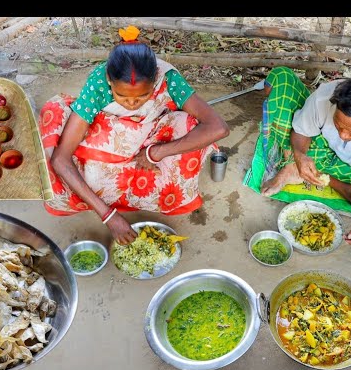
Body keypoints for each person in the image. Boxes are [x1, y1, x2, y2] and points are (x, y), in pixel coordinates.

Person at [38, 26, 229, 245]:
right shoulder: (98, 84)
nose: (131, 104)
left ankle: (154, 193)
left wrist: (156, 152)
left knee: (188, 124)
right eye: (121, 96)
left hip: (150, 142)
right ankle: (109, 199)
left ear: (155, 78)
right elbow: (61, 160)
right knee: (53, 119)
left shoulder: (167, 78)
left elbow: (218, 128)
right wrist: (108, 216)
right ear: (110, 80)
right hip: (107, 146)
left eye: (143, 96)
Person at [258, 67, 351, 247]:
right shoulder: (324, 97)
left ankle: (325, 179)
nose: (343, 135)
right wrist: (299, 155)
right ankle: (295, 167)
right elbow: (301, 131)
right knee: (282, 83)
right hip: (320, 147)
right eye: (338, 125)